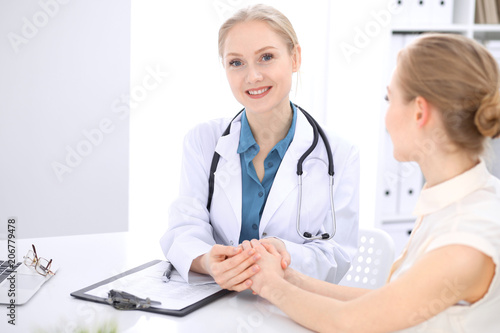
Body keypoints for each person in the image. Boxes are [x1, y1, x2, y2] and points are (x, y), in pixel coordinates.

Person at [247, 33, 500, 332]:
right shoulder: (465, 198)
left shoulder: (464, 239)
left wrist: (269, 284)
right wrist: (290, 278)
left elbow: (350, 322)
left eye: (388, 98)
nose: (386, 116)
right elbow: (386, 303)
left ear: (420, 111)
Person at [160, 4, 359, 291]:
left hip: (291, 308)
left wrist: (283, 252)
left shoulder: (339, 154)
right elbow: (183, 229)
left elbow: (337, 255)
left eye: (266, 57)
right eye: (236, 62)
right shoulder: (203, 141)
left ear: (295, 58)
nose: (252, 76)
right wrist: (208, 261)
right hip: (214, 305)